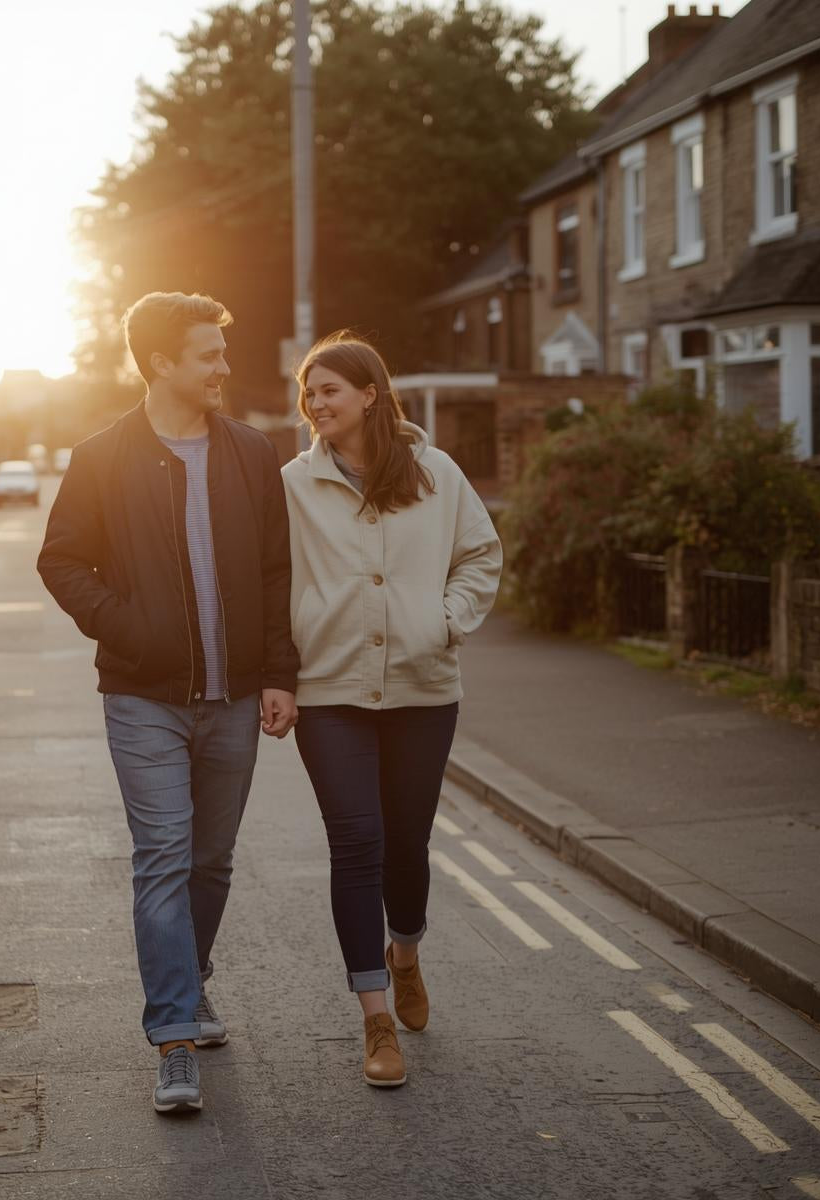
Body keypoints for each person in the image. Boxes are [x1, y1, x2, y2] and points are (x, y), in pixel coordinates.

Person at [38, 292, 299, 1114]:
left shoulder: (253, 454)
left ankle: (191, 981)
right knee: (161, 860)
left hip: (233, 699)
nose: (224, 366)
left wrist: (280, 673)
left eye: (221, 353)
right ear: (160, 363)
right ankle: (175, 1038)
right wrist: (131, 631)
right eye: (208, 354)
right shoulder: (102, 455)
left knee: (209, 863)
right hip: (144, 696)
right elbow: (62, 561)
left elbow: (274, 573)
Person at [281, 333, 502, 1089]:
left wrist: (444, 619)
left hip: (421, 686)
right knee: (357, 842)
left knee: (407, 845)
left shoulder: (436, 473)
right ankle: (375, 1018)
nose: (315, 404)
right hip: (331, 689)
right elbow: (271, 577)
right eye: (309, 394)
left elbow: (481, 555)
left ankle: (404, 952)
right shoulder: (293, 484)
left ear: (370, 392)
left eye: (329, 390)